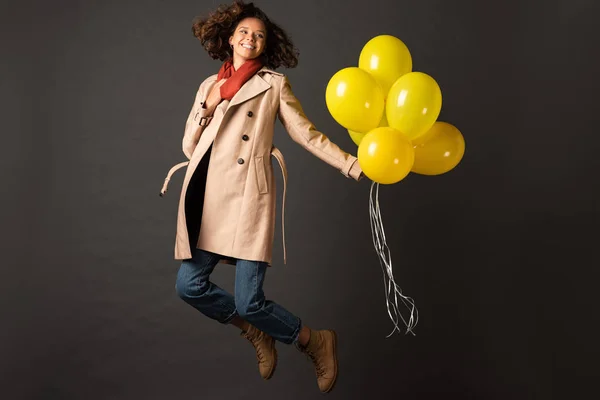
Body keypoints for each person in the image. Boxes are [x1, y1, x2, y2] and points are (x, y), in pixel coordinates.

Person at [161, 0, 363, 393]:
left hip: (248, 197)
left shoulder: (273, 85)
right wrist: (210, 104)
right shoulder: (209, 85)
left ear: (265, 44)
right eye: (244, 33)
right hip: (207, 198)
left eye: (259, 35)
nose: (251, 39)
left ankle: (312, 340)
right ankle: (255, 332)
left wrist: (351, 164)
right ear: (230, 39)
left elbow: (306, 134)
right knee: (188, 287)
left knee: (250, 299)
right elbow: (189, 147)